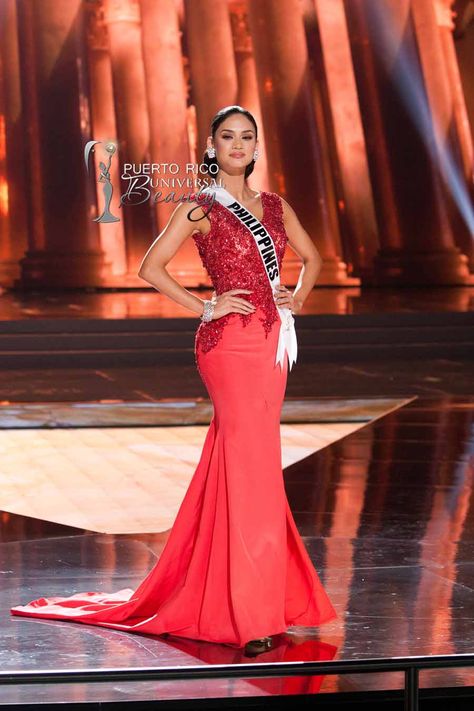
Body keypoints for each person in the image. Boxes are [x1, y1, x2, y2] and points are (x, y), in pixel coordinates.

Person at [10, 105, 337, 656]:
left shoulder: (277, 206)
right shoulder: (200, 205)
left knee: (249, 465)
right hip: (228, 345)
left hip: (272, 343)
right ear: (211, 146)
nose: (238, 145)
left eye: (247, 137)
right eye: (227, 137)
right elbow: (150, 266)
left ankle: (251, 596)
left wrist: (297, 297)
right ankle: (248, 609)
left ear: (257, 148)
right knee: (248, 463)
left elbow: (314, 257)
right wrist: (204, 306)